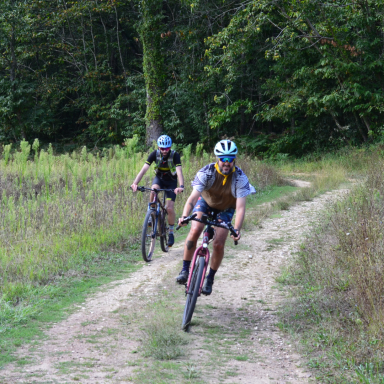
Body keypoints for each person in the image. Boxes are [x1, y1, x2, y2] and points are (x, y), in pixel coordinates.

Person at [176, 139, 256, 294]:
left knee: (219, 243)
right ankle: (185, 270)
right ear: (218, 159)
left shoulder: (240, 178)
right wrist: (185, 216)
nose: (226, 163)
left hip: (226, 208)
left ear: (234, 160)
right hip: (205, 202)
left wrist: (237, 229)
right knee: (195, 229)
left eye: (230, 159)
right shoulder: (206, 173)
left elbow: (240, 208)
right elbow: (192, 198)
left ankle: (210, 278)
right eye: (223, 159)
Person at [131, 135, 185, 247]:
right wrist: (135, 183)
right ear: (158, 147)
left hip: (171, 181)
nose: (164, 151)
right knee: (153, 190)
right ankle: (151, 211)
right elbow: (144, 170)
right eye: (162, 149)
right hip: (159, 179)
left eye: (167, 148)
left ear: (170, 147)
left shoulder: (175, 155)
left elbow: (179, 172)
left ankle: (170, 232)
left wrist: (181, 186)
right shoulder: (154, 154)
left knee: (169, 208)